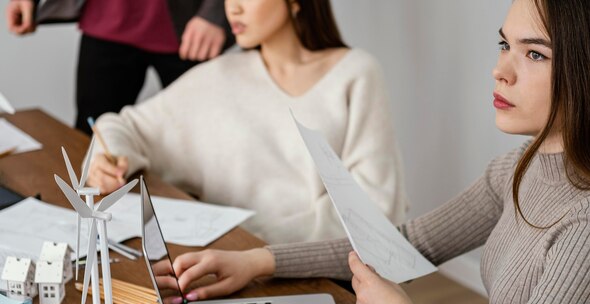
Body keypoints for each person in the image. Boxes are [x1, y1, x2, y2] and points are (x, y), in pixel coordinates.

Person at [169, 0, 590, 304]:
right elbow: (406, 244)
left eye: (535, 54)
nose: (499, 70)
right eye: (505, 44)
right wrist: (258, 261)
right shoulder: (519, 169)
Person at [85, 0, 407, 244]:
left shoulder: (355, 74)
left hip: (321, 270)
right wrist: (109, 159)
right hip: (228, 265)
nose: (233, 8)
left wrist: (251, 242)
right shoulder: (220, 74)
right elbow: (120, 125)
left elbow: (376, 210)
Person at [5, 0, 233, 134]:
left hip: (191, 30)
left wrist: (216, 12)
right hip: (106, 22)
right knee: (93, 139)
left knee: (199, 141)